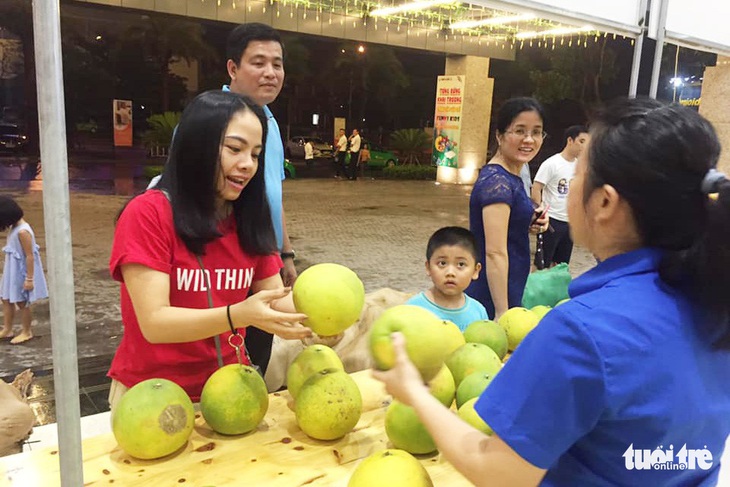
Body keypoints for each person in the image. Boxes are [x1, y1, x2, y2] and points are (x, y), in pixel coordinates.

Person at [374, 97, 730, 486]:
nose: (571, 181)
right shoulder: (713, 301)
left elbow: (500, 473)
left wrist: (415, 393)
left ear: (605, 202)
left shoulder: (581, 332)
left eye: (579, 172)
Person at [107, 91, 312, 407]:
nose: (247, 165)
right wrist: (238, 314)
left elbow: (276, 299)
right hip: (152, 397)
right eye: (234, 149)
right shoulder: (148, 214)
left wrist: (326, 313)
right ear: (195, 146)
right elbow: (154, 322)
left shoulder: (249, 219)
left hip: (230, 391)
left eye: (256, 154)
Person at [465, 97, 549, 320]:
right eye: (519, 131)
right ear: (499, 135)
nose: (529, 140)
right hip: (492, 290)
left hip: (510, 281)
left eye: (536, 132)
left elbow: (508, 225)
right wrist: (502, 311)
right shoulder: (497, 182)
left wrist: (531, 222)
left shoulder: (512, 174)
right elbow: (494, 252)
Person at [405, 226, 489, 331]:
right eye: (442, 263)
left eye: (461, 264)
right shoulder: (413, 308)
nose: (450, 273)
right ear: (428, 267)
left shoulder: (478, 312)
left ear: (476, 271)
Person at [531, 125, 589, 269]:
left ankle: (556, 290)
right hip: (552, 221)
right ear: (570, 140)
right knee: (542, 263)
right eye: (581, 141)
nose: (584, 147)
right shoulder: (552, 163)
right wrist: (539, 212)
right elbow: (537, 187)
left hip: (569, 221)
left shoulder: (579, 166)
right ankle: (537, 290)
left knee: (562, 265)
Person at [0, 196, 48, 345]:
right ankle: (8, 328)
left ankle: (27, 331)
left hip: (21, 270)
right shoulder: (15, 228)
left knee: (22, 301)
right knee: (6, 298)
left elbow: (29, 256)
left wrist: (29, 278)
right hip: (12, 268)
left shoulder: (22, 232)